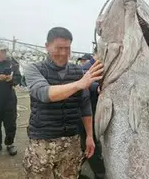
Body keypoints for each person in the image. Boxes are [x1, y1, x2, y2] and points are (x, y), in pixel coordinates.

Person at [23, 27, 103, 179]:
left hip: (71, 141)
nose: (64, 53)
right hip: (42, 140)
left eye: (67, 48)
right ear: (47, 46)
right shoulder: (34, 69)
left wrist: (89, 136)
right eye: (59, 48)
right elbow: (45, 94)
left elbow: (85, 106)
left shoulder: (77, 71)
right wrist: (79, 84)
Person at [79, 49, 106, 179]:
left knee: (86, 144)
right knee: (91, 144)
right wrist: (97, 87)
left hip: (95, 111)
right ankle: (100, 175)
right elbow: (84, 82)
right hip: (85, 113)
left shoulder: (103, 67)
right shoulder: (86, 67)